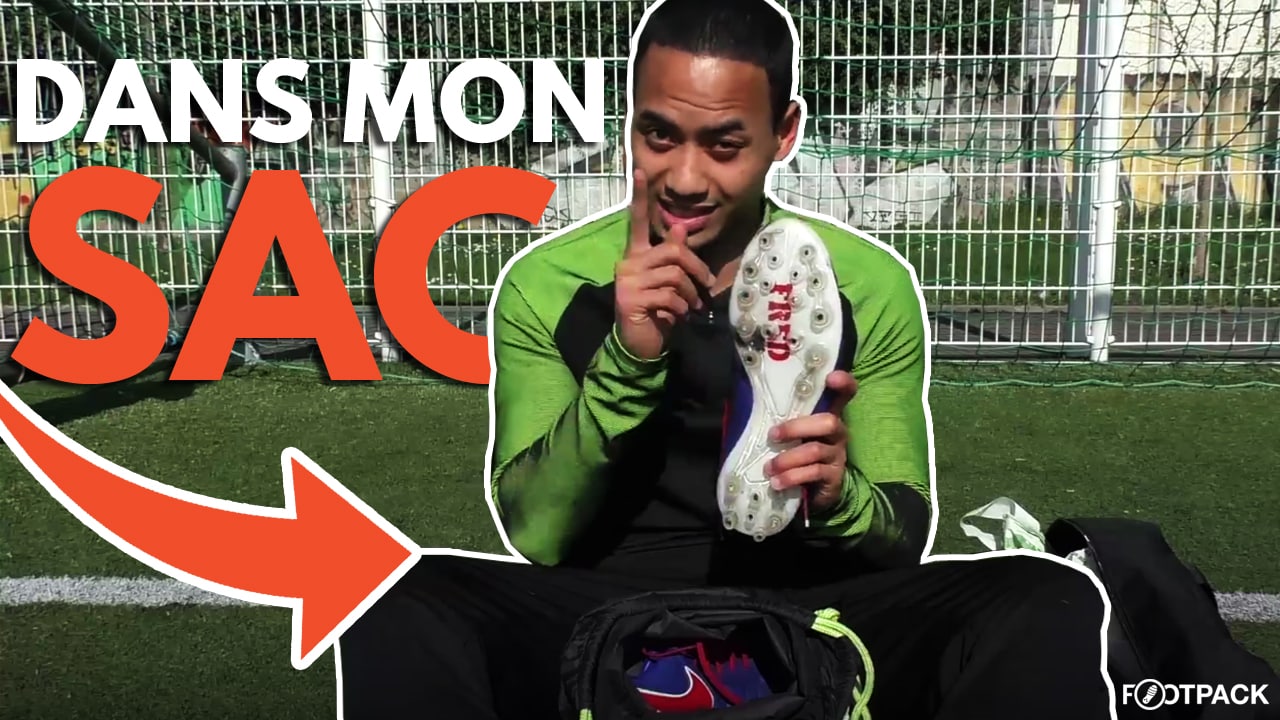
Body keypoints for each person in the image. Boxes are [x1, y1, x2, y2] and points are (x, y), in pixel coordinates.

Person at [337, 0, 1113, 718]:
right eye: (659, 136)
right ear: (632, 123)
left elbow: (901, 541)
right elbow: (537, 533)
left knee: (1043, 595)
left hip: (818, 615)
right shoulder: (549, 285)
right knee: (397, 594)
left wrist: (838, 495)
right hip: (601, 612)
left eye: (724, 145)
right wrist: (627, 361)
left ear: (784, 133)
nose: (684, 178)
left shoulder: (865, 286)